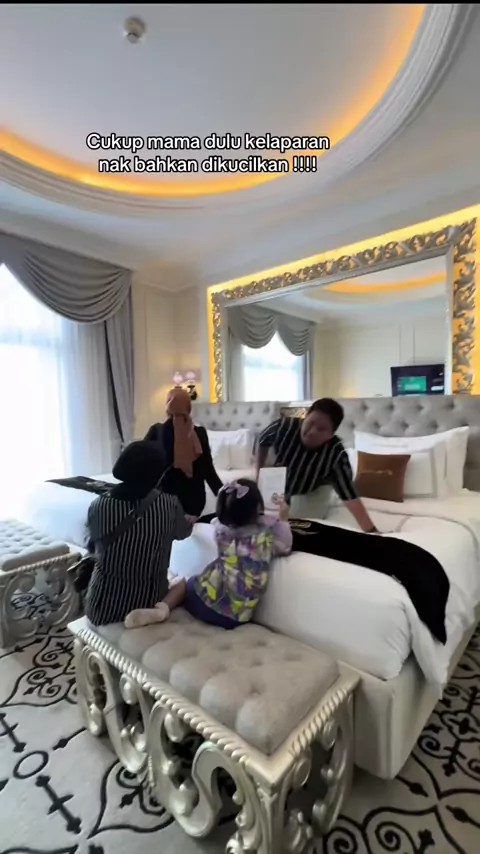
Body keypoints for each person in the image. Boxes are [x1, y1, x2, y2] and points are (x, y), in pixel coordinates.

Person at [124, 478, 292, 630]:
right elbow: (286, 544)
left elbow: (217, 520)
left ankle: (162, 609)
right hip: (237, 617)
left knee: (185, 582)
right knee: (199, 581)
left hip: (204, 601)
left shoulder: (221, 532)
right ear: (258, 507)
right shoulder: (268, 535)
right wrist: (283, 518)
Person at [85, 440, 195, 626]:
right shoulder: (169, 505)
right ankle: (161, 611)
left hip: (100, 607)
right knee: (184, 581)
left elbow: (93, 544)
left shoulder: (98, 505)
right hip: (147, 602)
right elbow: (184, 533)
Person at [256, 398, 378, 534]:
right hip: (281, 483)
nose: (312, 432)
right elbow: (262, 440)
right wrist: (259, 475)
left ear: (331, 435)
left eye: (321, 429)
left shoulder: (335, 454)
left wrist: (371, 530)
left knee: (299, 524)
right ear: (305, 418)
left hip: (313, 490)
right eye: (310, 423)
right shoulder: (284, 427)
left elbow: (349, 494)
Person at [144, 387, 223, 517]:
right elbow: (208, 470)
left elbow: (144, 467)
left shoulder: (156, 431)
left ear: (167, 407)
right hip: (194, 502)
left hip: (163, 501)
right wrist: (224, 497)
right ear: (189, 407)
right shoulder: (199, 433)